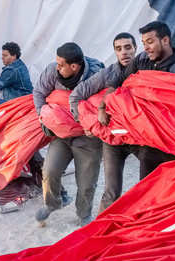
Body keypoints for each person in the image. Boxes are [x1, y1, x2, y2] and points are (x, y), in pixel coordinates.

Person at [91, 21, 175, 179]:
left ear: (165, 40)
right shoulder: (143, 59)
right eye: (144, 43)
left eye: (150, 42)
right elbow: (118, 82)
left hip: (172, 144)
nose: (146, 47)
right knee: (146, 189)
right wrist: (102, 107)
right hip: (148, 143)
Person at [33, 42, 104, 226]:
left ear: (74, 66)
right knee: (49, 171)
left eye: (61, 64)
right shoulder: (51, 71)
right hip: (61, 135)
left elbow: (104, 101)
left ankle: (84, 214)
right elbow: (39, 92)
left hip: (87, 137)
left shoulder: (96, 74)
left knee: (87, 181)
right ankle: (53, 203)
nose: (57, 67)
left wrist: (93, 124)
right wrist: (44, 117)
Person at [69, 33, 138, 214]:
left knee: (148, 186)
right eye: (118, 48)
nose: (124, 52)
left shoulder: (145, 69)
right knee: (111, 192)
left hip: (139, 140)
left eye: (128, 47)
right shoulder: (107, 74)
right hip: (113, 141)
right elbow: (76, 95)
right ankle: (99, 233)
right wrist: (85, 123)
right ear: (115, 52)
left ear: (136, 48)